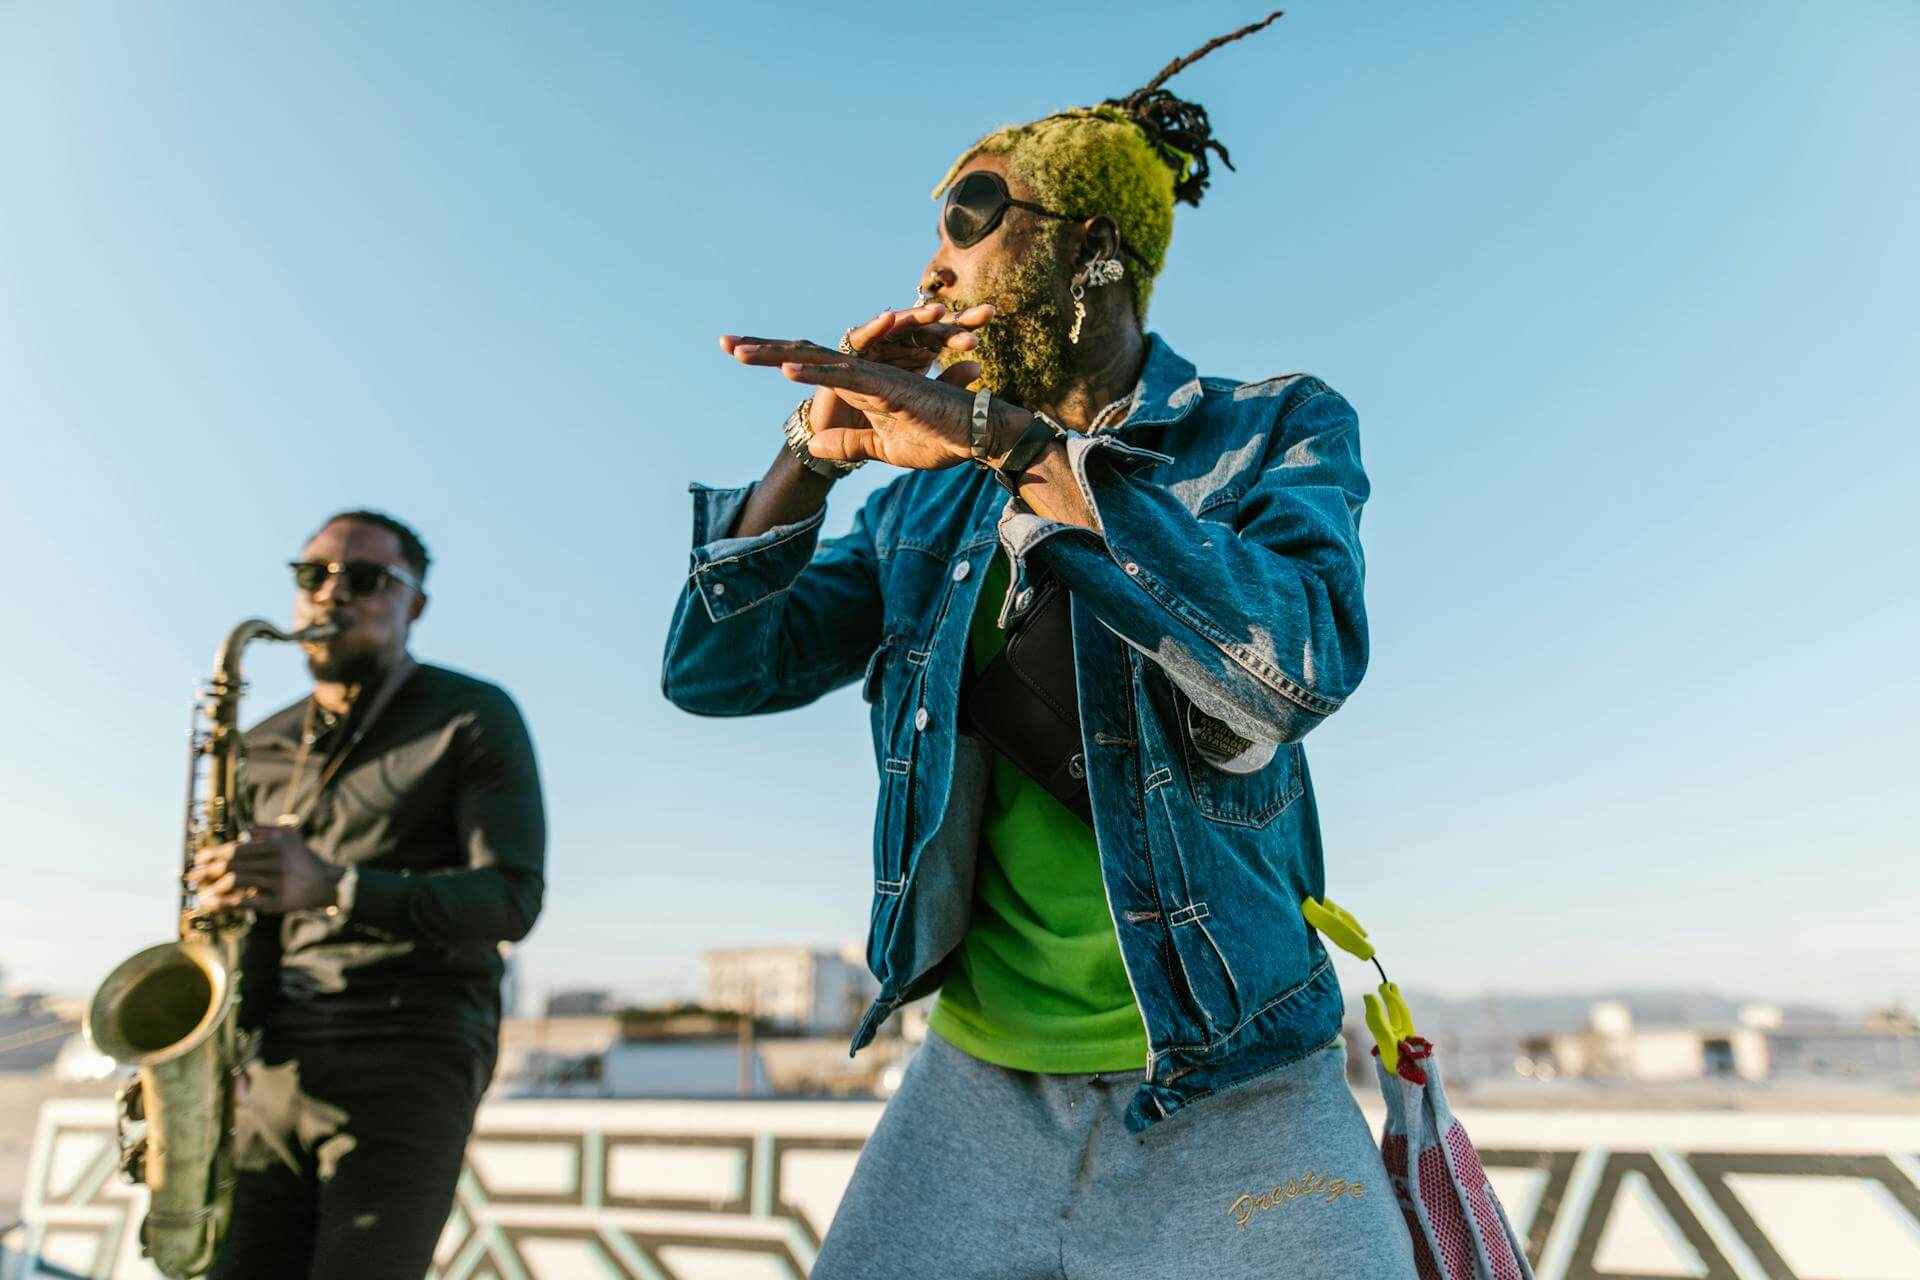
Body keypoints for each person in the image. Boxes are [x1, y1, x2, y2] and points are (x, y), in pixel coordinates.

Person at [662, 14, 1418, 1276]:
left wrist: (1022, 452)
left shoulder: (1270, 429)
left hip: (1234, 1082)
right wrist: (812, 451)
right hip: (971, 1088)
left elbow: (1292, 666)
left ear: (1094, 255)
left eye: (971, 215)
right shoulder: (922, 500)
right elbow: (716, 670)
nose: (934, 267)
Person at [188, 509, 546, 1280]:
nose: (331, 594)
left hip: (412, 1048)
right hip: (277, 1062)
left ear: (413, 604)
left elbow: (511, 899)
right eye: (312, 575)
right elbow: (254, 930)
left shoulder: (472, 716)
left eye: (365, 580)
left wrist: (335, 887)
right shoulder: (259, 746)